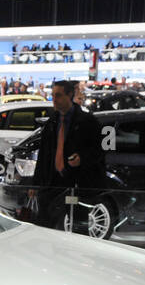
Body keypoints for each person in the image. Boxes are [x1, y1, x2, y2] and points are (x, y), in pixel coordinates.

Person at [28, 79, 106, 230]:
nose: (54, 100)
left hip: (77, 184)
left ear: (70, 95)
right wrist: (35, 184)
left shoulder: (88, 121)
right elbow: (44, 156)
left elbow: (99, 151)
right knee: (45, 227)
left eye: (58, 95)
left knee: (77, 228)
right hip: (52, 184)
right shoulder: (52, 123)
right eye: (53, 95)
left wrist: (82, 159)